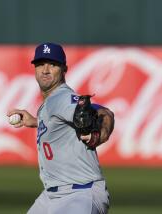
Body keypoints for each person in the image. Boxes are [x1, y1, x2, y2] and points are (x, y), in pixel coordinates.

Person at [7, 42, 114, 214]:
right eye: (40, 64)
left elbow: (104, 113)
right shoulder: (50, 104)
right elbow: (62, 121)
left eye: (53, 64)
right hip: (52, 197)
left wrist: (100, 134)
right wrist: (35, 121)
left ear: (64, 69)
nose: (45, 70)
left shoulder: (62, 97)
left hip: (79, 194)